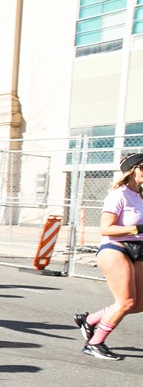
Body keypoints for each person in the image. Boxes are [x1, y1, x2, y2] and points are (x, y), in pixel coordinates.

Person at [74, 152, 143, 360]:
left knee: (139, 304)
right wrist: (137, 228)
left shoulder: (140, 195)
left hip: (139, 250)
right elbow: (106, 229)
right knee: (126, 302)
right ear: (133, 170)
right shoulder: (118, 195)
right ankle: (95, 343)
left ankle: (90, 320)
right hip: (116, 248)